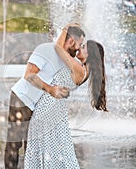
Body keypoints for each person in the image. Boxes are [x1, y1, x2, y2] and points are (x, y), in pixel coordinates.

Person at [4, 23, 85, 169]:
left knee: (32, 147)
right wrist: (50, 89)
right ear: (72, 41)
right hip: (21, 100)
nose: (79, 48)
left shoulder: (66, 59)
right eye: (80, 44)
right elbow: (29, 75)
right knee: (14, 143)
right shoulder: (45, 50)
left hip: (37, 106)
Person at [24, 28, 107, 168]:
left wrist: (67, 27)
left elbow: (57, 47)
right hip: (55, 109)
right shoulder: (83, 69)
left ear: (90, 54)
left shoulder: (79, 69)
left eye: (84, 47)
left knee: (47, 148)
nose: (79, 47)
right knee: (56, 150)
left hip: (48, 107)